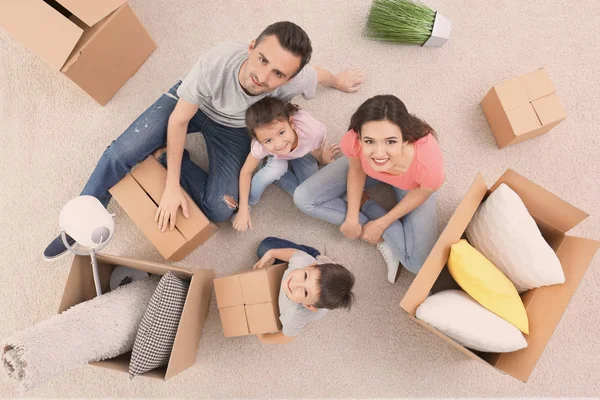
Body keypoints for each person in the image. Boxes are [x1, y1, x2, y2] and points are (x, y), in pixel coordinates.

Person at [43, 21, 365, 260]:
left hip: (234, 130)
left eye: (279, 74)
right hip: (191, 105)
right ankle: (77, 222)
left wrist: (337, 80)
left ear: (290, 78)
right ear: (251, 47)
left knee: (220, 209)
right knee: (121, 153)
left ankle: (170, 157)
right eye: (262, 60)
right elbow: (180, 119)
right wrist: (171, 188)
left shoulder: (295, 81)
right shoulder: (218, 61)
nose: (263, 77)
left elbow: (316, 74)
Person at [293, 95, 444, 283]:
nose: (379, 153)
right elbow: (356, 171)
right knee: (303, 198)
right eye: (369, 141)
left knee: (418, 264)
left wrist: (381, 223)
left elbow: (423, 193)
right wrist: (351, 218)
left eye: (390, 141)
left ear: (405, 139)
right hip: (369, 171)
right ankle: (384, 238)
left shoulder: (429, 166)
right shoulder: (352, 141)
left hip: (413, 187)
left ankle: (369, 208)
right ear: (360, 137)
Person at [232, 97, 339, 232]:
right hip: (276, 158)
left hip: (302, 150)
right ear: (258, 140)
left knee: (313, 190)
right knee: (278, 170)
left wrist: (322, 159)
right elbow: (246, 171)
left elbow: (315, 149)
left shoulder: (312, 131)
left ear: (291, 123)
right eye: (268, 140)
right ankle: (251, 200)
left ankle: (284, 169)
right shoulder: (261, 146)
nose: (279, 144)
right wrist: (243, 208)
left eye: (281, 132)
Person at [253, 237, 355, 344]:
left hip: (315, 294)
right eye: (305, 276)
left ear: (308, 305)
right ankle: (321, 260)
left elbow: (286, 337)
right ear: (310, 266)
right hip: (313, 259)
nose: (295, 283)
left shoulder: (294, 316)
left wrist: (263, 337)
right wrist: (271, 253)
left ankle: (316, 274)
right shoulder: (303, 261)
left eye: (305, 292)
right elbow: (293, 254)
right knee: (264, 248)